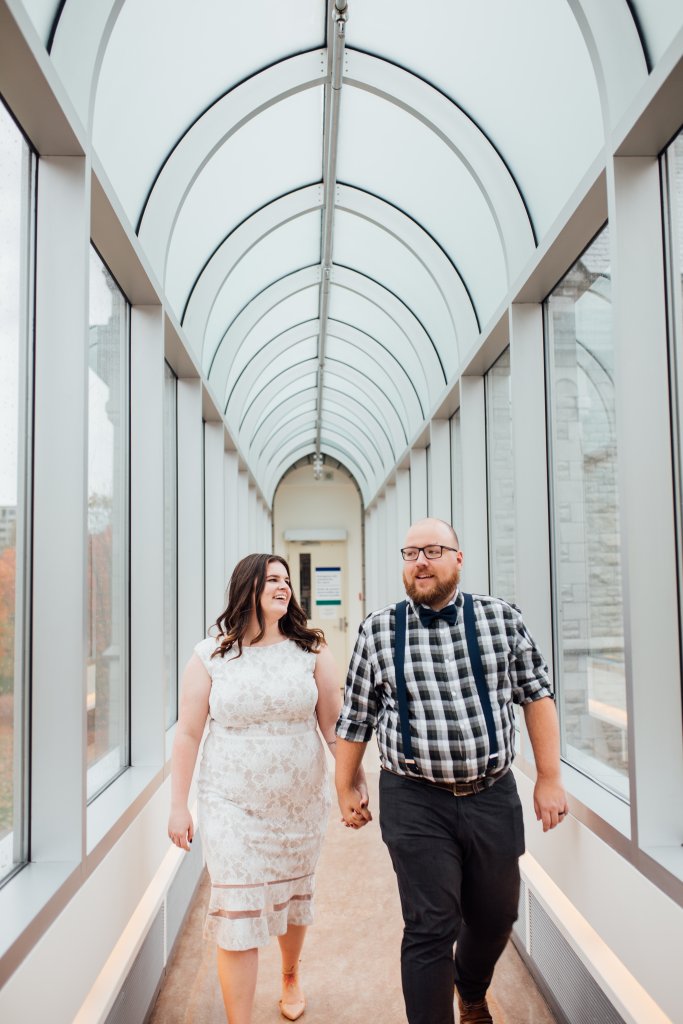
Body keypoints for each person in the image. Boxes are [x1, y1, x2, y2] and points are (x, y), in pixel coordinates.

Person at [335, 518, 568, 1024]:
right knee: (430, 925)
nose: (420, 560)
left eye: (433, 550)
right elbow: (355, 717)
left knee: (495, 915)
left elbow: (537, 695)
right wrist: (345, 785)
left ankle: (472, 987)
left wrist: (549, 776)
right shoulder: (379, 629)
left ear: (457, 559)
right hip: (414, 796)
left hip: (492, 792)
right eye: (411, 552)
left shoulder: (500, 619)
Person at [168, 552, 367, 1024]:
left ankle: (291, 973)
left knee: (292, 898)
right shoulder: (210, 655)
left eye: (286, 579)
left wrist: (352, 785)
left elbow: (334, 727)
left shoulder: (312, 650)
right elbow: (188, 734)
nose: (283, 586)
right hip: (230, 804)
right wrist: (179, 805)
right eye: (271, 579)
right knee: (237, 911)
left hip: (298, 806)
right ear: (247, 588)